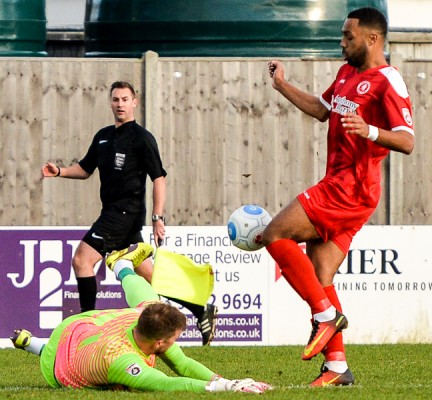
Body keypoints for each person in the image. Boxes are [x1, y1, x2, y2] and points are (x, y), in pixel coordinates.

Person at [263, 7, 414, 387]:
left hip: (352, 188)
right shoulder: (347, 73)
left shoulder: (388, 80)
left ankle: (325, 316)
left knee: (273, 234)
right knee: (320, 273)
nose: (342, 42)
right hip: (340, 183)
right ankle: (337, 367)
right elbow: (322, 109)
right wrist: (283, 86)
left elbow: (408, 140)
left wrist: (370, 131)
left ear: (372, 39)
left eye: (349, 37)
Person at [41, 81, 217, 345]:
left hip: (125, 213)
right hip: (114, 213)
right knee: (150, 275)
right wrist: (60, 172)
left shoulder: (142, 138)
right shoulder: (102, 136)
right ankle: (199, 308)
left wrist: (158, 218)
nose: (120, 104)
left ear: (134, 102)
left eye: (125, 99)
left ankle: (86, 328)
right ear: (110, 103)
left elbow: (159, 178)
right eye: (115, 100)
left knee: (82, 260)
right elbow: (86, 169)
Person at [10, 243, 272, 393]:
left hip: (78, 326)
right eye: (174, 339)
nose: (176, 344)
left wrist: (227, 382)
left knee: (151, 300)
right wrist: (222, 389)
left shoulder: (143, 317)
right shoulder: (121, 361)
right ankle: (35, 346)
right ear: (159, 343)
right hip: (56, 364)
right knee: (120, 387)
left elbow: (184, 364)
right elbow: (168, 383)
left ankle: (121, 265)